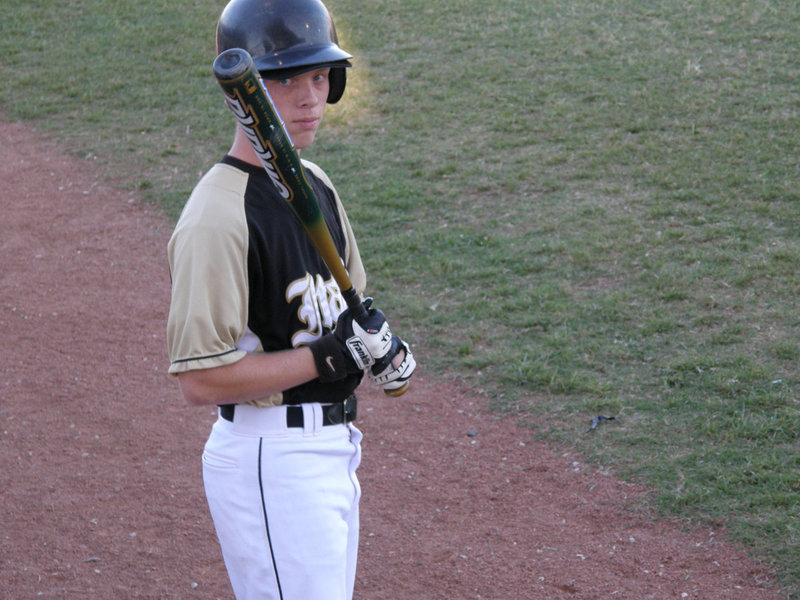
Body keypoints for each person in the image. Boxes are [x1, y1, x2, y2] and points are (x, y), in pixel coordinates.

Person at [165, 0, 416, 598]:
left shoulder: (318, 186)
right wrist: (330, 357)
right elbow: (200, 380)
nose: (309, 97)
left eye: (317, 76)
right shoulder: (216, 217)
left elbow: (349, 310)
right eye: (284, 79)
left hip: (333, 449)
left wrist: (377, 344)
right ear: (245, 93)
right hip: (270, 457)